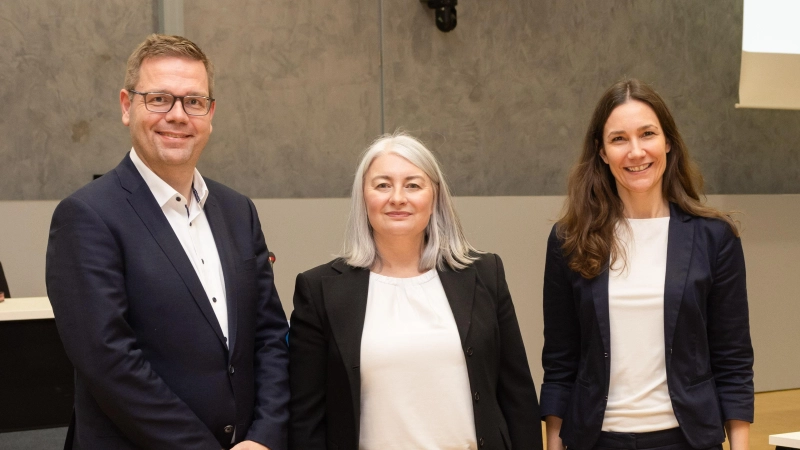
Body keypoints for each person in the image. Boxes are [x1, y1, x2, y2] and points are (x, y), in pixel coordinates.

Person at [46, 34, 289, 450]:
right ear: (127, 106)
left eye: (193, 101)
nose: (178, 115)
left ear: (210, 113)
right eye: (159, 99)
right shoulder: (87, 217)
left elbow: (269, 336)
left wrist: (265, 436)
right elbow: (110, 363)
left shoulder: (237, 211)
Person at [288, 133, 542, 450]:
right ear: (363, 197)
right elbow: (306, 420)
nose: (397, 198)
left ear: (434, 196)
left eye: (413, 185)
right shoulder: (319, 290)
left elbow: (517, 396)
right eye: (382, 185)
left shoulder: (484, 275)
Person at [540, 79, 754, 450]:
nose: (636, 151)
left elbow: (732, 360)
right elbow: (560, 363)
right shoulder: (569, 240)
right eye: (619, 139)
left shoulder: (715, 238)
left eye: (647, 134)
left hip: (687, 440)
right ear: (602, 152)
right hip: (596, 440)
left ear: (668, 142)